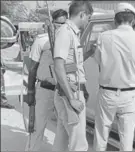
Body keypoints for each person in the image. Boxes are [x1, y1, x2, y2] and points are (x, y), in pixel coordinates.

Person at [92, 3, 135, 151]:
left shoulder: (103, 37)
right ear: (133, 21)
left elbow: (99, 63)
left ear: (115, 21)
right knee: (126, 140)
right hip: (130, 95)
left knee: (101, 136)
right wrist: (132, 70)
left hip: (107, 93)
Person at [53, 1, 94, 151]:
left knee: (62, 139)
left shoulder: (71, 33)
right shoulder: (65, 32)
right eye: (88, 17)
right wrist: (72, 98)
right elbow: (59, 67)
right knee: (79, 143)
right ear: (82, 14)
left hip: (72, 90)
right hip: (69, 93)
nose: (88, 21)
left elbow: (73, 65)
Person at [25, 9, 68, 151]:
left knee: (62, 129)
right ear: (51, 23)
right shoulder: (42, 40)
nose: (61, 27)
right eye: (58, 24)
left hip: (62, 91)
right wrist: (30, 92)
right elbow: (32, 68)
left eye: (64, 24)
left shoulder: (69, 39)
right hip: (44, 90)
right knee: (38, 127)